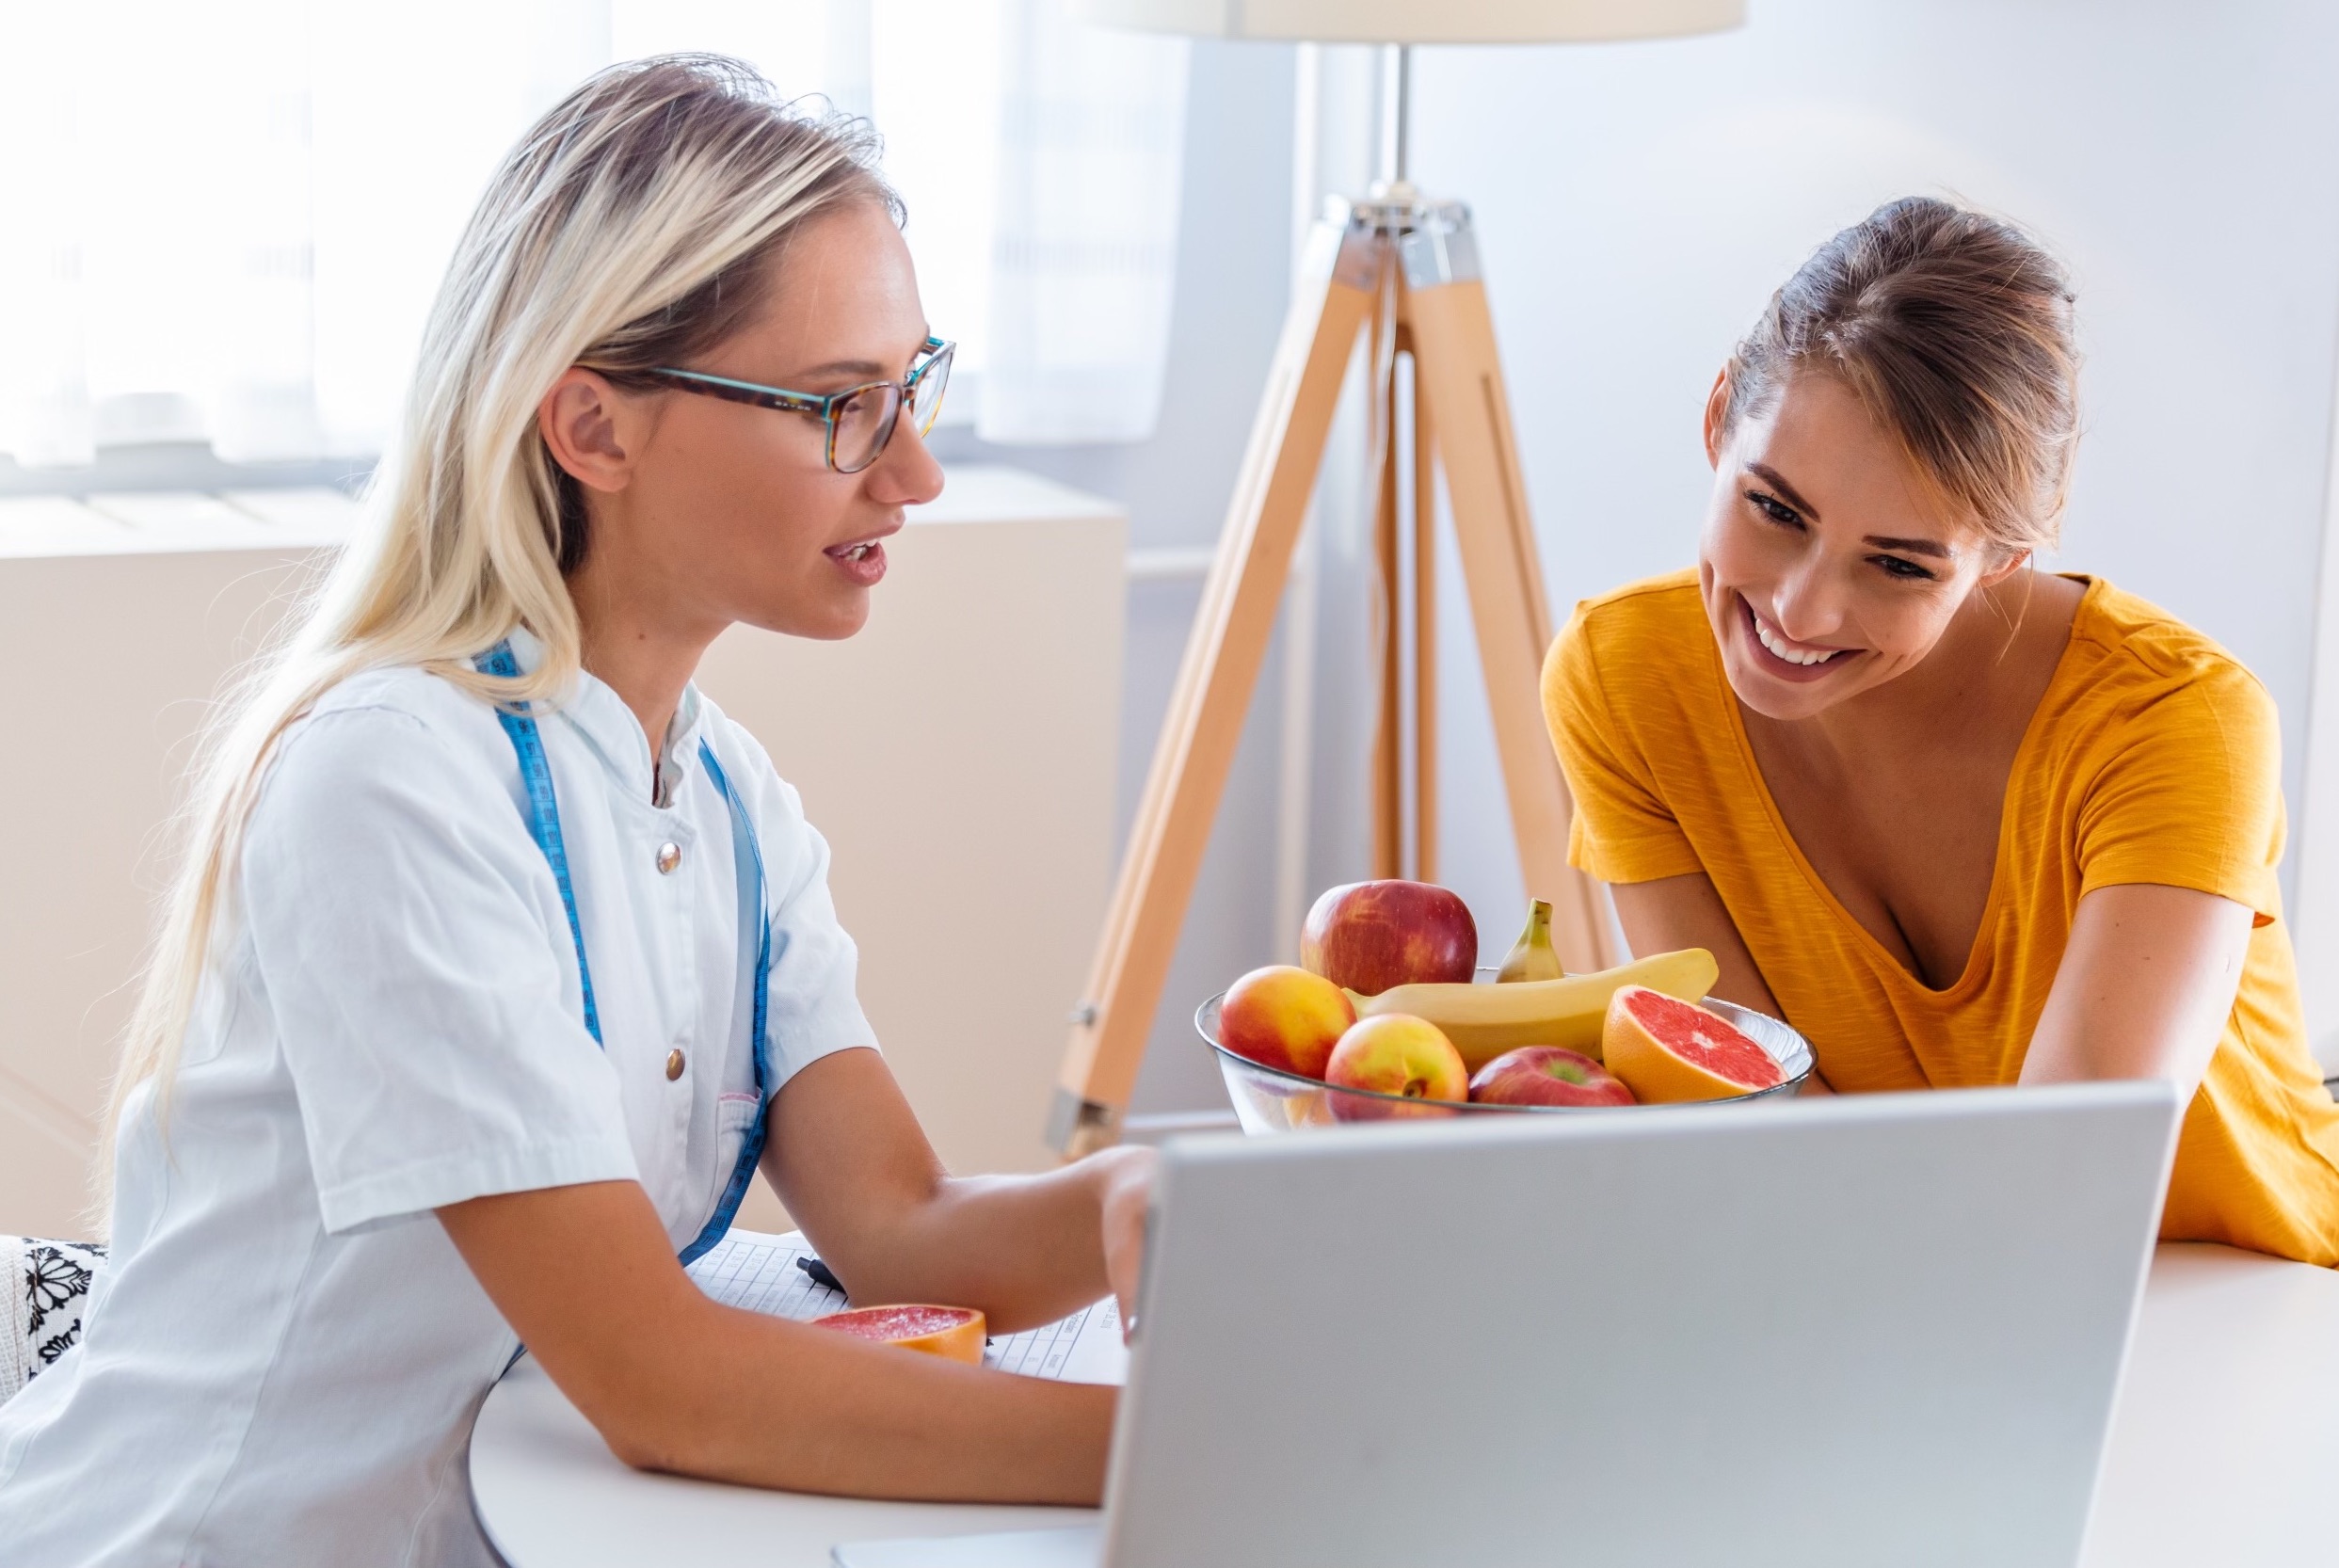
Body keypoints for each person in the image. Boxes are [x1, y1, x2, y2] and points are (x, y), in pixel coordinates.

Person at [0, 56, 1152, 1567]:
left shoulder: (728, 791)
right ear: (594, 430)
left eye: (910, 387)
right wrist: (1180, 1455)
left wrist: (1152, 1188)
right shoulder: (390, 781)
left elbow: (903, 1223)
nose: (916, 472)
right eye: (841, 407)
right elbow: (657, 1380)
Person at [1546, 196, 2339, 1268]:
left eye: (1898, 563)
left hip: (2253, 1301)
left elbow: (2060, 1184)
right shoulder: (1622, 679)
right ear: (1719, 415)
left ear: (2002, 559)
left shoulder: (2176, 720)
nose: (1798, 610)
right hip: (1912, 1290)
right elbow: (1761, 1106)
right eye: (1775, 509)